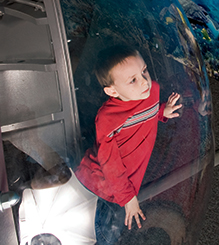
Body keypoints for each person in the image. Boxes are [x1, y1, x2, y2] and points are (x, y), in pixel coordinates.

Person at [74, 44, 182, 244]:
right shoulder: (108, 118)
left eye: (144, 71)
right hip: (108, 181)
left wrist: (162, 112)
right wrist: (128, 198)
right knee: (109, 229)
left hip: (129, 177)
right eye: (133, 80)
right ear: (112, 91)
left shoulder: (151, 90)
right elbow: (110, 164)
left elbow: (146, 114)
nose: (144, 82)